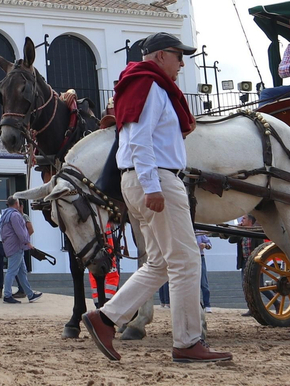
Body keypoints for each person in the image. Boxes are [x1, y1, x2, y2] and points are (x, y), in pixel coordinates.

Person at [82, 32, 232, 364]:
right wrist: (152, 186)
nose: (182, 63)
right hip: (157, 179)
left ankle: (106, 318)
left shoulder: (144, 84)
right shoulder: (149, 85)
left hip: (143, 179)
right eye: (179, 56)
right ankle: (188, 341)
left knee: (161, 263)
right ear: (161, 55)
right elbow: (139, 139)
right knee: (186, 260)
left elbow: (137, 137)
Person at [0, 198, 40, 304]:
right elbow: (20, 231)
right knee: (11, 271)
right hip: (16, 246)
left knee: (22, 272)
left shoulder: (5, 214)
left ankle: (30, 295)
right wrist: (28, 242)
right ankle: (7, 295)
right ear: (17, 203)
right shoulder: (15, 215)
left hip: (11, 245)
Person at [197, 232, 214, 309]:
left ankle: (207, 304)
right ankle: (197, 304)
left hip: (200, 257)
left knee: (204, 282)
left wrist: (205, 245)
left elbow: (209, 244)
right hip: (189, 257)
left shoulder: (199, 231)